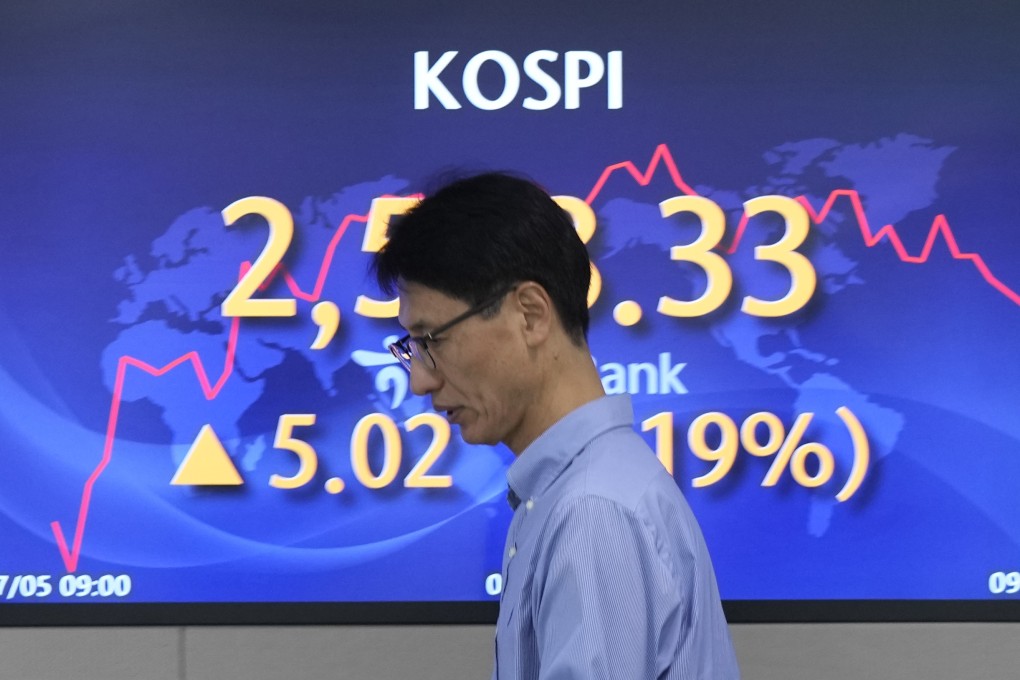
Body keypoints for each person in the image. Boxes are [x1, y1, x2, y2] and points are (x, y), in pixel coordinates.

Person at [373, 172, 740, 679]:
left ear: (530, 314)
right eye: (410, 348)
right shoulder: (576, 489)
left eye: (431, 339)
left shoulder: (592, 510)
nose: (419, 380)